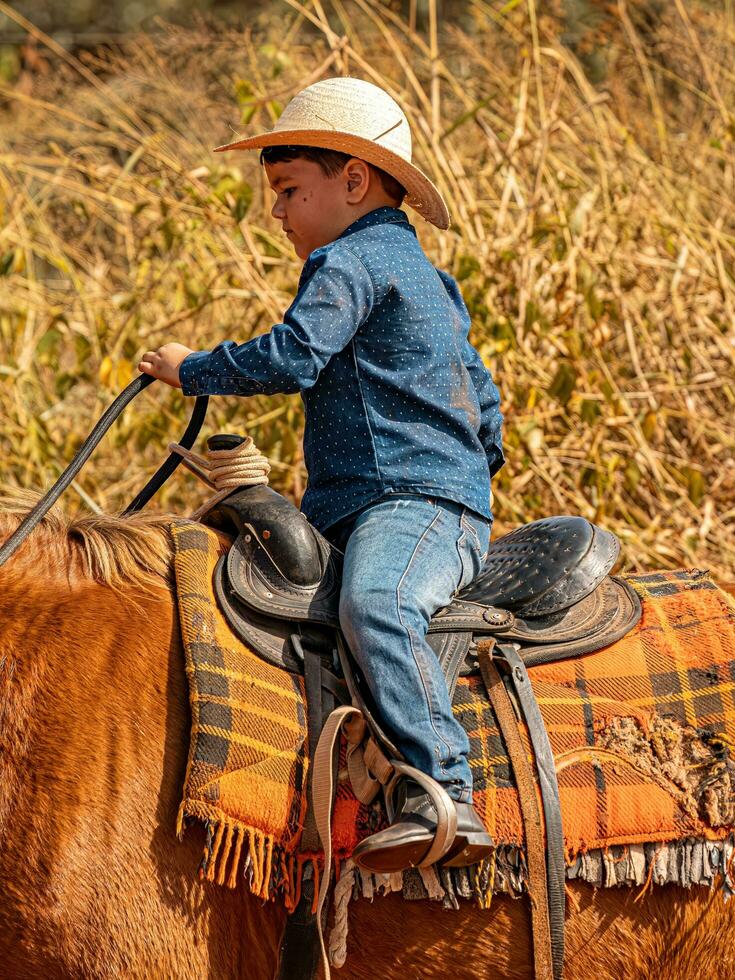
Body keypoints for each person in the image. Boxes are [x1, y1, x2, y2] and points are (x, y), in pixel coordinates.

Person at [139, 76, 504, 873]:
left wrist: (191, 369)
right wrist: (475, 473)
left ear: (352, 180)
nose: (275, 212)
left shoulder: (347, 261)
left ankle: (442, 791)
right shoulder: (426, 277)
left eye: (286, 189)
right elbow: (481, 392)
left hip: (410, 503)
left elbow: (295, 354)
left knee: (376, 603)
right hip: (398, 500)